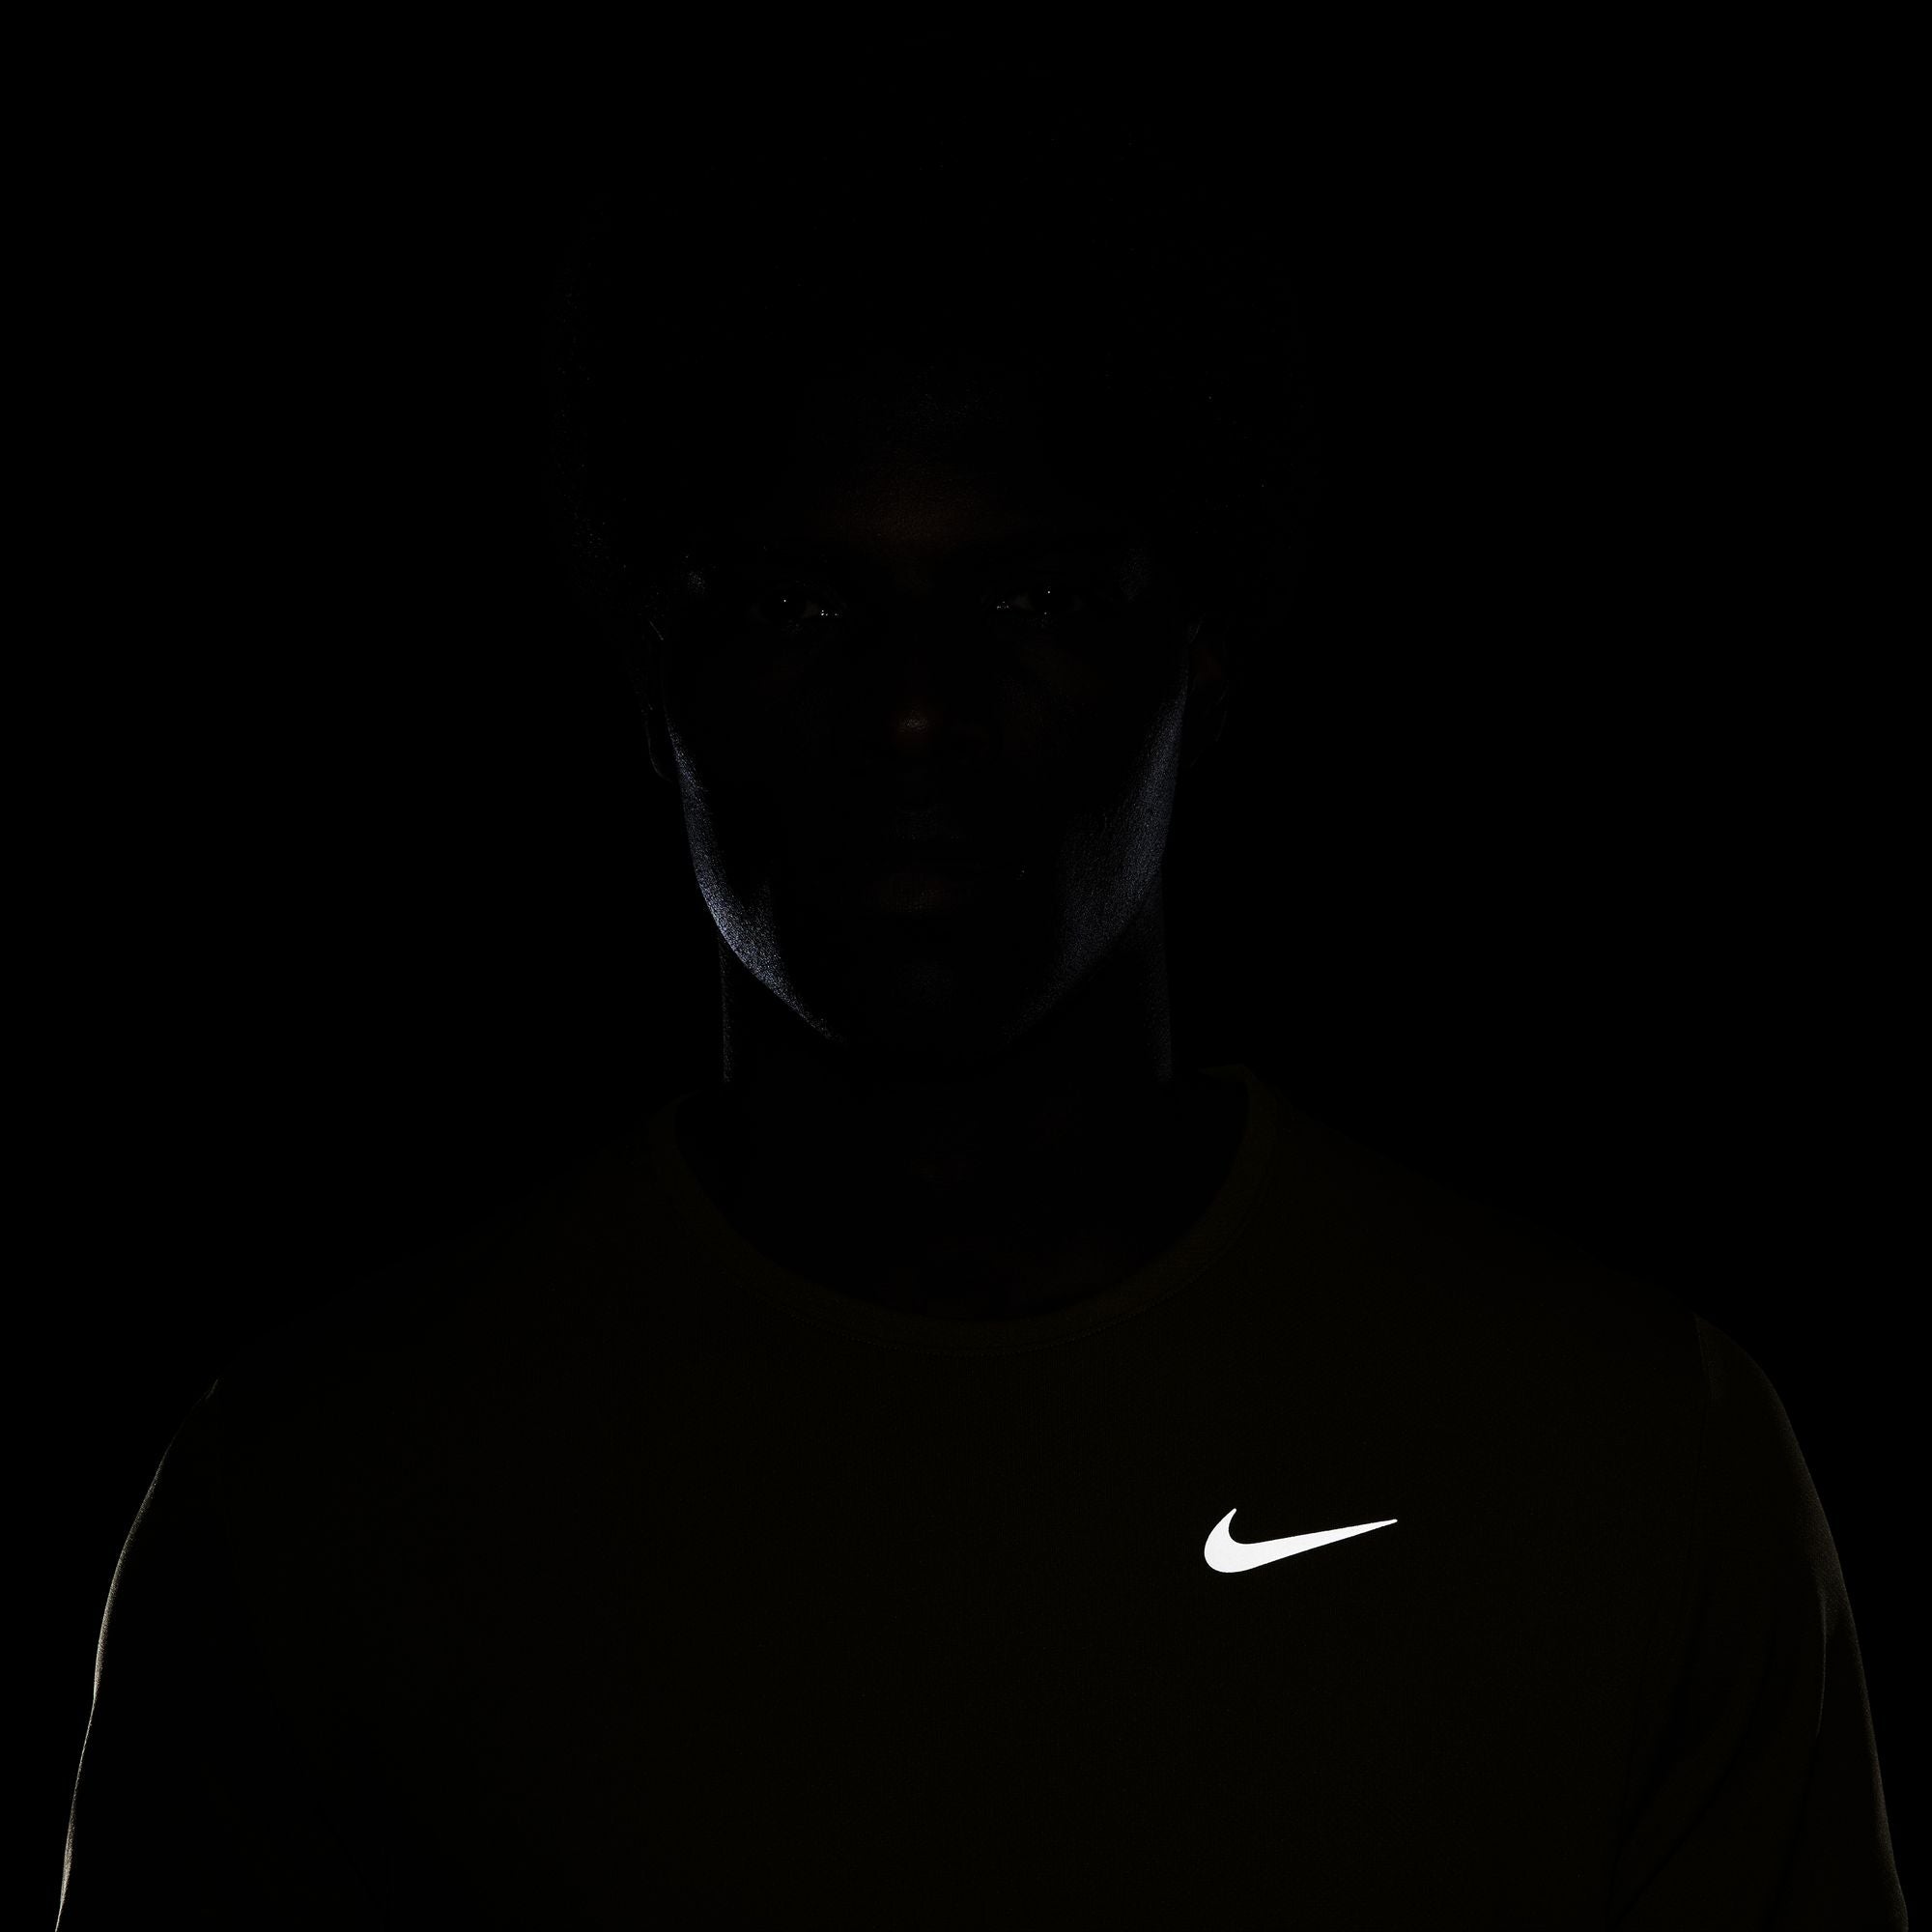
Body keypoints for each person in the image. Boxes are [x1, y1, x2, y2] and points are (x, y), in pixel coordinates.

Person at [56, 90, 1906, 1930]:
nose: (915, 710)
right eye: (798, 605)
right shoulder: (318, 1502)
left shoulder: (1623, 1453)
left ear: (1201, 650)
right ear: (656, 667)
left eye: (1031, 598)